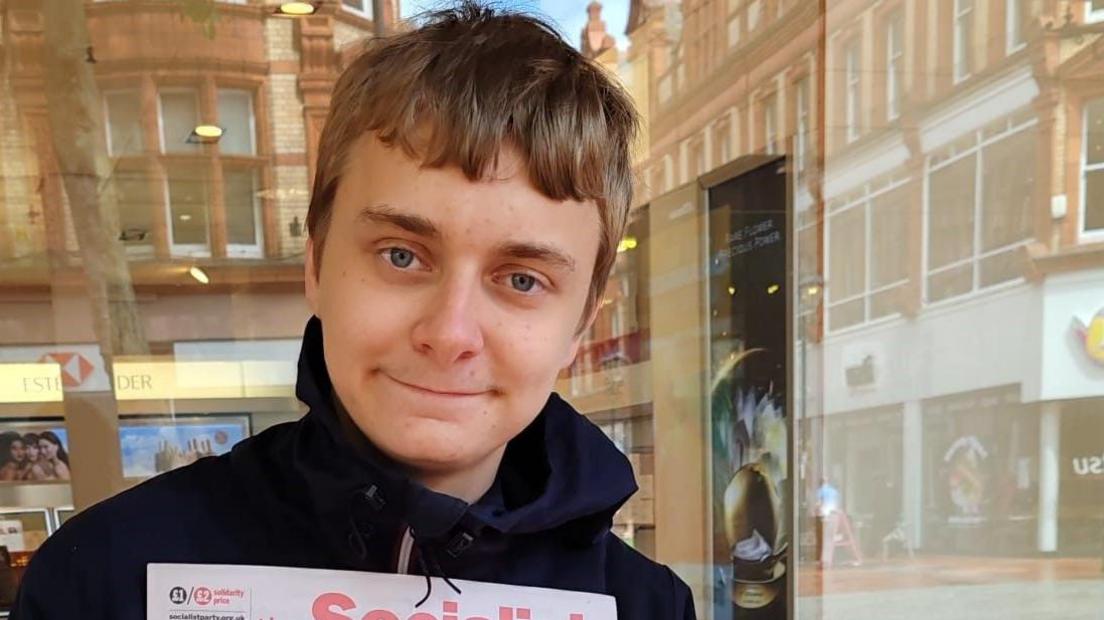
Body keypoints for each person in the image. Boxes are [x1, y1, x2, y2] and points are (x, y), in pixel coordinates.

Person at [11, 3, 694, 618]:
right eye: (402, 256)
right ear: (315, 265)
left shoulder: (643, 606)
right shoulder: (104, 580)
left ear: (580, 325)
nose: (449, 334)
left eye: (520, 279)